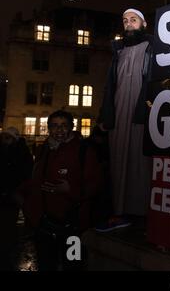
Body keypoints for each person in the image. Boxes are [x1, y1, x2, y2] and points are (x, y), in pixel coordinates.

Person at [16, 110, 103, 271]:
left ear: (71, 127)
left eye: (64, 125)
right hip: (45, 225)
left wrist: (70, 190)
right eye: (55, 126)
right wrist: (24, 198)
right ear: (49, 128)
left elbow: (95, 184)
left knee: (73, 264)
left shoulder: (84, 151)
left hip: (74, 226)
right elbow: (36, 178)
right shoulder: (44, 149)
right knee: (45, 264)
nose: (59, 130)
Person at [96, 8, 154, 232]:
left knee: (142, 164)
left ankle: (146, 213)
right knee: (119, 163)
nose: (129, 24)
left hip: (142, 112)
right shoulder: (118, 52)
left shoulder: (154, 47)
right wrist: (104, 115)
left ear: (144, 24)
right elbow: (109, 86)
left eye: (134, 20)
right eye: (125, 21)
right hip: (119, 114)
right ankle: (121, 213)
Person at [0, 127, 33, 270]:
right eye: (4, 137)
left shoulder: (21, 152)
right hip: (4, 192)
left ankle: (8, 248)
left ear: (14, 139)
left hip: (13, 193)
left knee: (9, 221)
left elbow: (25, 173)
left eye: (8, 137)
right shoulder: (4, 150)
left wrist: (16, 189)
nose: (4, 140)